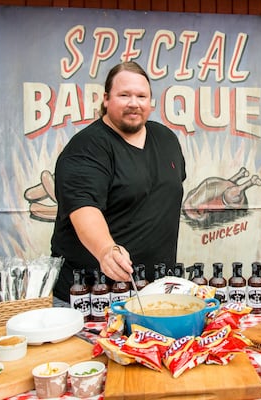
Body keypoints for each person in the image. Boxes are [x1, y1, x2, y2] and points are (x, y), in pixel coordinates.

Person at [51, 61, 186, 304]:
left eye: (141, 96)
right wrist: (106, 250)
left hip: (153, 292)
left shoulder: (166, 139)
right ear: (106, 98)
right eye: (124, 95)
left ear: (150, 101)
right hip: (91, 296)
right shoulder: (86, 148)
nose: (134, 103)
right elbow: (84, 209)